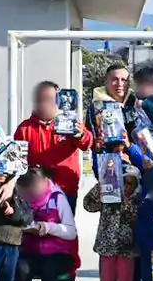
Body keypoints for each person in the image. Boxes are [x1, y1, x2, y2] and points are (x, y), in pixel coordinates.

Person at [16, 166, 79, 281]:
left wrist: (48, 228)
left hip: (60, 252)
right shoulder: (23, 198)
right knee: (21, 268)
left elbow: (71, 232)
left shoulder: (57, 197)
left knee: (49, 270)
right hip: (32, 250)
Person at [14, 80, 94, 212]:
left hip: (65, 190)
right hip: (35, 192)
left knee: (63, 231)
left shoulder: (69, 124)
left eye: (50, 99)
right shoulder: (25, 128)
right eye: (42, 99)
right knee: (36, 230)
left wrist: (80, 134)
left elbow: (87, 144)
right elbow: (17, 161)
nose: (46, 103)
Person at [84, 161, 139, 281]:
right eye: (124, 182)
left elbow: (135, 218)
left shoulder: (137, 198)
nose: (126, 186)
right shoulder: (108, 193)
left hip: (128, 246)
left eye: (130, 183)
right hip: (107, 245)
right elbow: (88, 205)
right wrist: (100, 188)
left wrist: (127, 201)